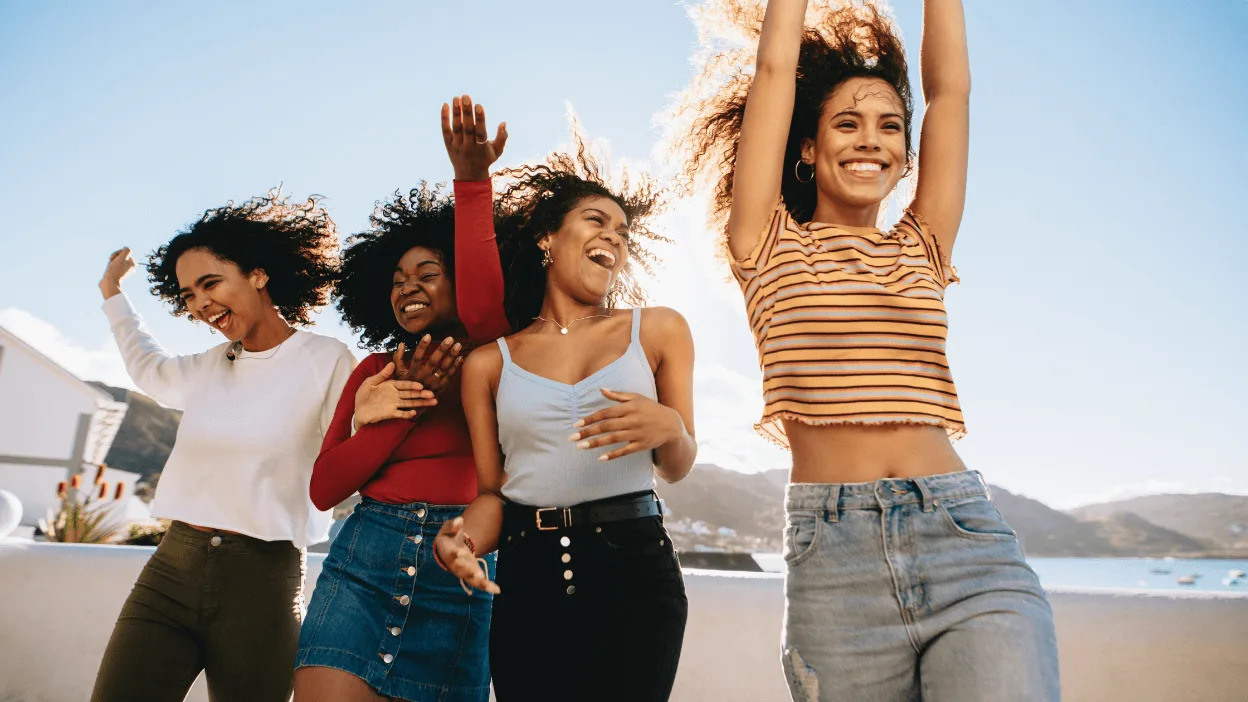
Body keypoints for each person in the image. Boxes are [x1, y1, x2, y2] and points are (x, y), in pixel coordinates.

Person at [671, 1, 1059, 700]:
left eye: (889, 127)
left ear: (907, 156)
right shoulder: (764, 243)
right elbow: (774, 67)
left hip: (963, 540)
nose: (869, 140)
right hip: (833, 567)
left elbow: (950, 93)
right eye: (846, 123)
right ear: (809, 148)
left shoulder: (924, 244)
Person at [434, 135, 697, 702]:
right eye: (597, 220)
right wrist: (461, 544)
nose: (613, 237)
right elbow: (490, 495)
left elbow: (677, 467)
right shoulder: (489, 363)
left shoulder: (657, 330)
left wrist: (671, 429)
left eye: (623, 234)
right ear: (547, 238)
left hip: (635, 569)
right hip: (527, 575)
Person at [91, 192, 355, 702]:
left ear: (258, 275)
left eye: (210, 282)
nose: (200, 302)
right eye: (188, 294)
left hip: (261, 580)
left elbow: (352, 456)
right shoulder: (210, 365)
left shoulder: (326, 360)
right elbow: (149, 367)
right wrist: (112, 294)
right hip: (172, 567)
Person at [293, 96, 510, 702]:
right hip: (364, 560)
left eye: (427, 272)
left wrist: (472, 183)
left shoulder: (489, 355)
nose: (407, 285)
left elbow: (487, 300)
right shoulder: (371, 370)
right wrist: (403, 410)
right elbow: (324, 487)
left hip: (460, 567)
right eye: (395, 280)